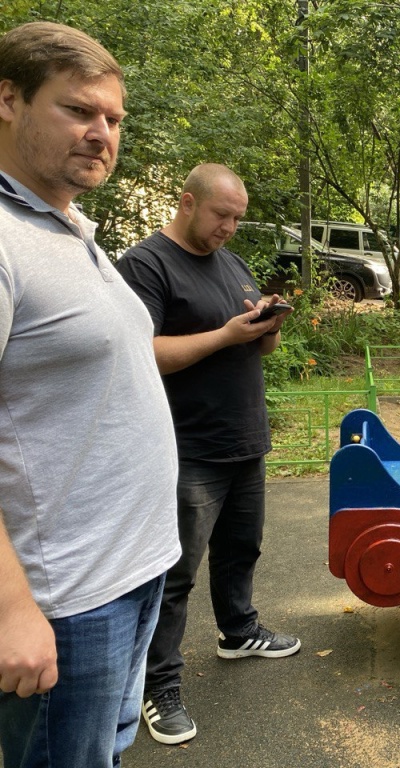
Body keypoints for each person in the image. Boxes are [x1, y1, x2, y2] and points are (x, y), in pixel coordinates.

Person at [0, 21, 181, 766]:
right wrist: (11, 609)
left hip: (132, 571)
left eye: (113, 118)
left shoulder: (67, 225)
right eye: (78, 110)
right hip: (65, 600)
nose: (102, 134)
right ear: (8, 100)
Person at [116, 163, 300, 745]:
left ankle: (238, 631)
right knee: (172, 575)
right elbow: (139, 353)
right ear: (187, 202)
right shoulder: (146, 265)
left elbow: (258, 346)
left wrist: (266, 325)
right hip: (185, 446)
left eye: (237, 219)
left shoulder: (232, 262)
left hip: (243, 438)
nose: (229, 228)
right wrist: (225, 334)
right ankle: (157, 687)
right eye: (222, 215)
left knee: (241, 549)